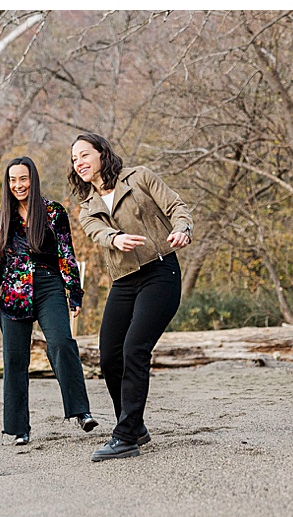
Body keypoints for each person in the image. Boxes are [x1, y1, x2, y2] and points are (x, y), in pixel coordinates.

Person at [67, 133, 194, 462]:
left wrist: (183, 229)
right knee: (109, 356)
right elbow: (97, 233)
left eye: (84, 155)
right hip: (123, 282)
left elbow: (177, 207)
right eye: (74, 159)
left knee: (134, 348)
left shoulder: (140, 178)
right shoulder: (88, 208)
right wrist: (116, 237)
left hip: (160, 272)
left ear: (101, 154)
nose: (79, 162)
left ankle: (124, 437)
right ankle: (134, 426)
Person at [0, 156, 98, 446]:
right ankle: (19, 428)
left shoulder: (53, 212)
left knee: (61, 343)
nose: (18, 185)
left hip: (48, 286)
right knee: (15, 361)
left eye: (23, 178)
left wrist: (74, 291)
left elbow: (66, 255)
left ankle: (80, 412)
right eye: (12, 180)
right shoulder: (1, 217)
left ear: (33, 179)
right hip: (12, 292)